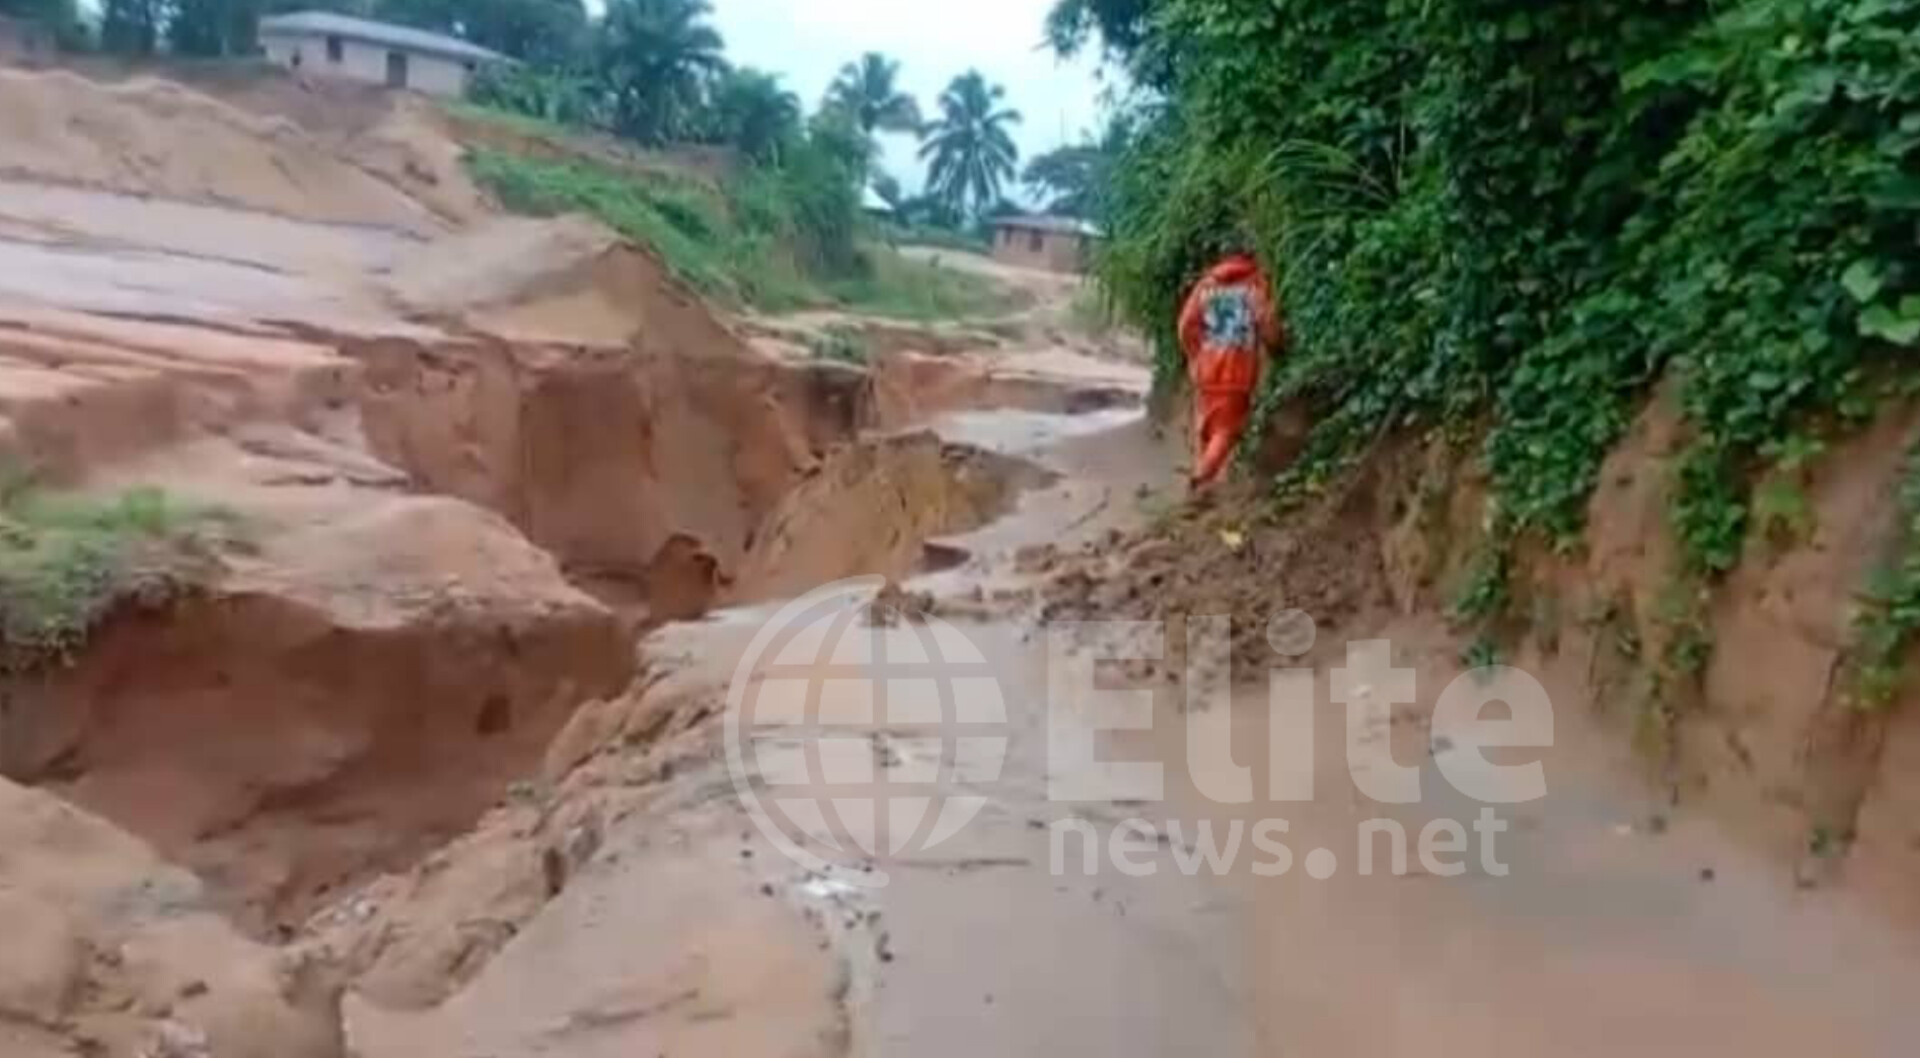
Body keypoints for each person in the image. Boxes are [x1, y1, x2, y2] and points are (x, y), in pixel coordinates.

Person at [1177, 250, 1282, 487]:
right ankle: (1201, 479)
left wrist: (1195, 355)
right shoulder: (1254, 284)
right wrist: (1277, 343)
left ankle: (1204, 484)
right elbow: (1266, 321)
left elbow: (1185, 326)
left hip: (1206, 369)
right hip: (1237, 370)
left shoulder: (1206, 285)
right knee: (1226, 431)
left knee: (1206, 429)